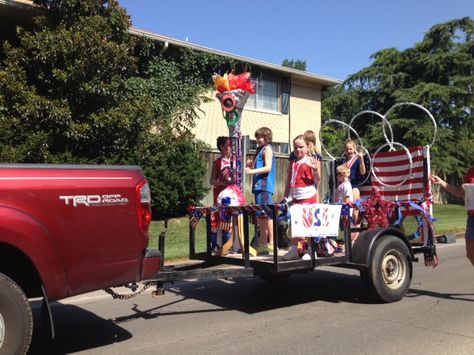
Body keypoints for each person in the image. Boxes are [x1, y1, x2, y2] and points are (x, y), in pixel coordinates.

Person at [282, 134, 319, 261]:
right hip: (295, 197)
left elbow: (317, 180)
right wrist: (285, 196)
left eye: (301, 147)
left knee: (308, 224)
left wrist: (315, 170)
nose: (298, 150)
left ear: (308, 147)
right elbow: (288, 181)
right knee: (295, 223)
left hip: (308, 196)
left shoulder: (311, 161)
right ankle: (293, 250)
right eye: (295, 147)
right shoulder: (292, 162)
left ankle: (311, 250)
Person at [432, 167, 474, 266]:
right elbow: (460, 193)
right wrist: (442, 182)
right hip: (472, 218)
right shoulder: (471, 172)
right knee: (470, 254)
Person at [244, 127, 276, 255]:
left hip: (264, 186)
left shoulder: (267, 148)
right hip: (258, 186)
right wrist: (251, 165)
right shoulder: (259, 150)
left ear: (267, 137)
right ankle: (264, 243)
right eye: (257, 137)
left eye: (260, 137)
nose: (258, 140)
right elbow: (260, 166)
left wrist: (252, 171)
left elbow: (268, 167)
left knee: (266, 215)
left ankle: (269, 244)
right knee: (262, 216)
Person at [209, 136, 233, 253]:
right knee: (221, 219)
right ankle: (219, 245)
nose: (230, 148)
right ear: (222, 147)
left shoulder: (233, 161)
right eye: (228, 145)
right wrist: (221, 183)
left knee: (230, 220)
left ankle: (231, 245)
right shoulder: (217, 163)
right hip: (221, 195)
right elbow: (212, 180)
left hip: (232, 194)